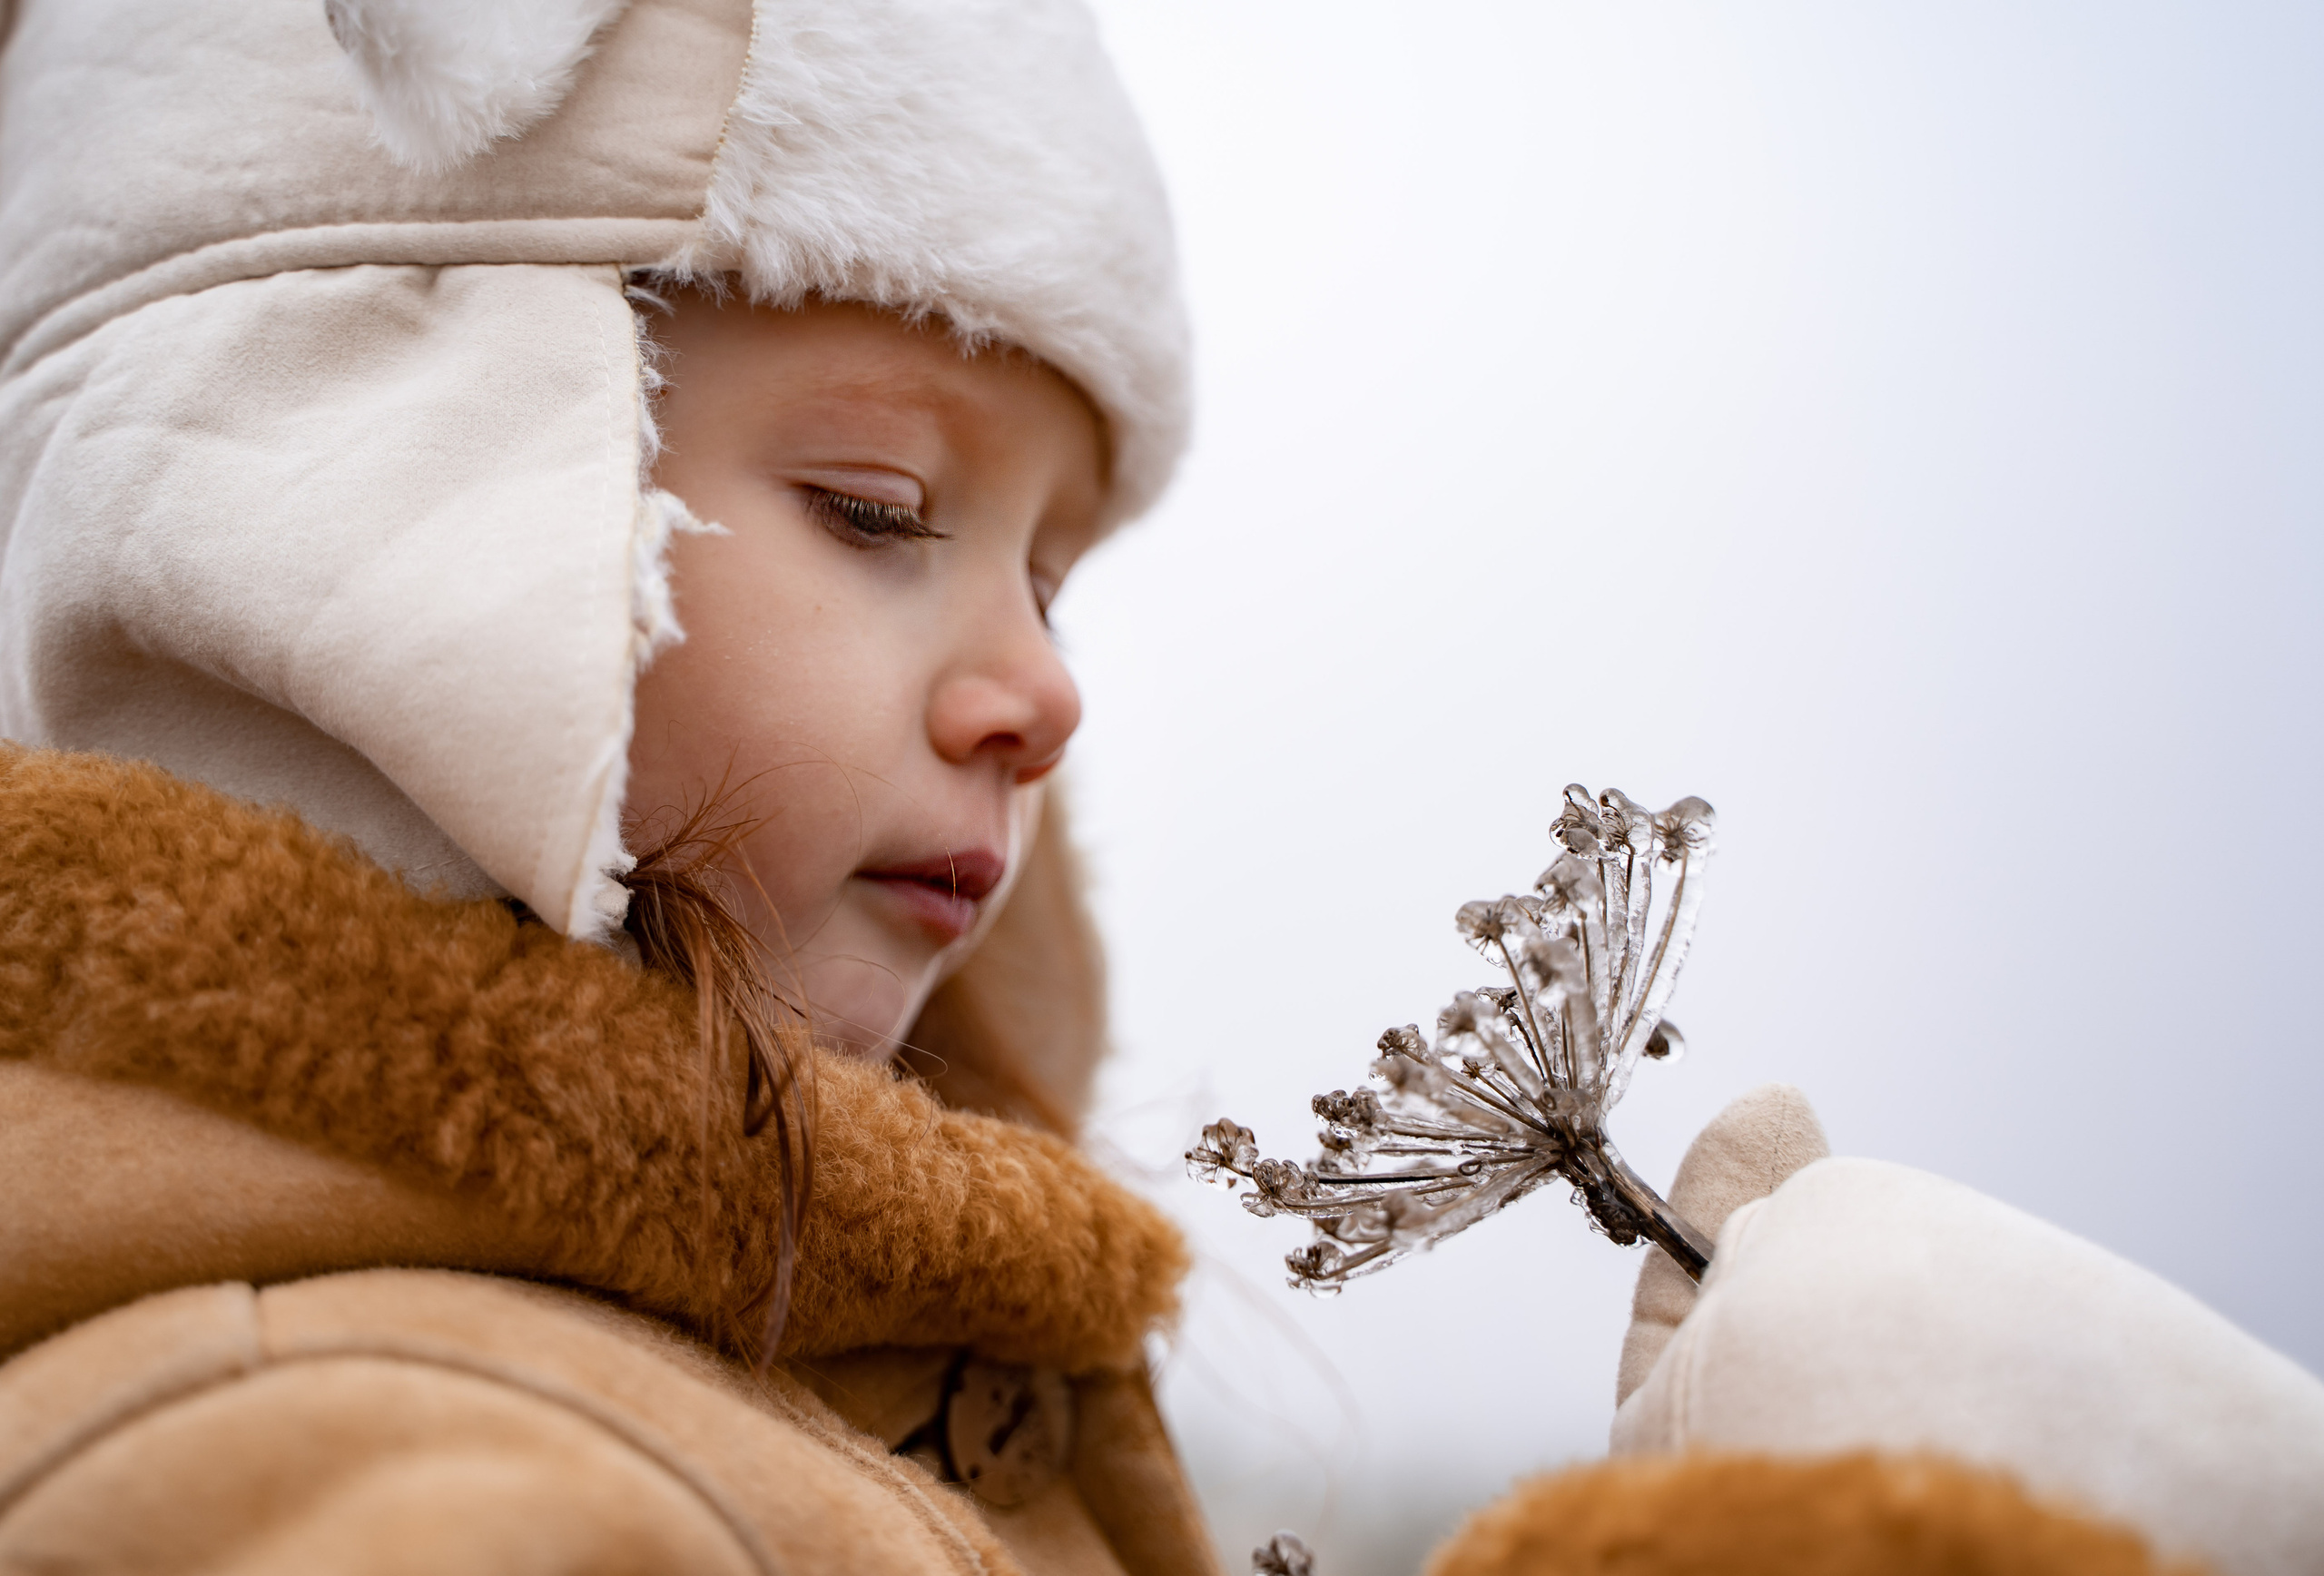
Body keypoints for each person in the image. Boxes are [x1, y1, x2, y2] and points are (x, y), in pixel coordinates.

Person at [2, 4, 2315, 1574]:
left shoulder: (837, 1384)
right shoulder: (341, 1462)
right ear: (318, 531)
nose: (1040, 691)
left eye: (1060, 573)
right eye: (884, 512)